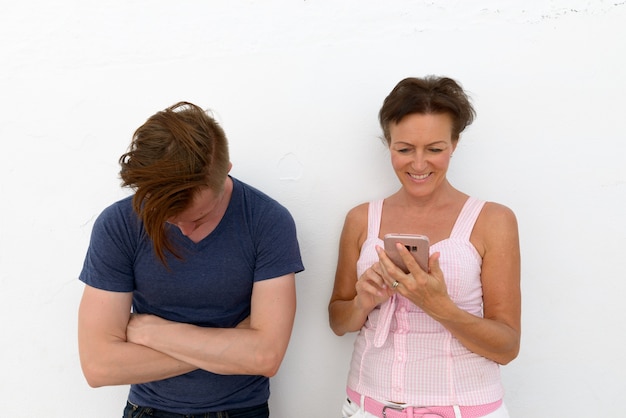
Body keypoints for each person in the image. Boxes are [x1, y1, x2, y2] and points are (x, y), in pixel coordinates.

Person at [78, 101, 304, 418]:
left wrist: (152, 334)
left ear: (225, 170)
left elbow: (265, 358)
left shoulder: (267, 222)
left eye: (197, 218)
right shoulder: (118, 225)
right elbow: (99, 366)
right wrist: (235, 348)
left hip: (239, 411)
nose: (183, 230)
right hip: (149, 410)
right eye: (168, 219)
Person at [328, 76, 521, 418]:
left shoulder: (493, 220)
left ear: (455, 143)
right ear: (388, 143)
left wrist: (438, 305)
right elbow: (339, 320)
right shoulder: (361, 219)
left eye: (435, 149)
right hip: (367, 407)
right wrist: (364, 301)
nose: (418, 165)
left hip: (467, 409)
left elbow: (507, 347)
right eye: (404, 150)